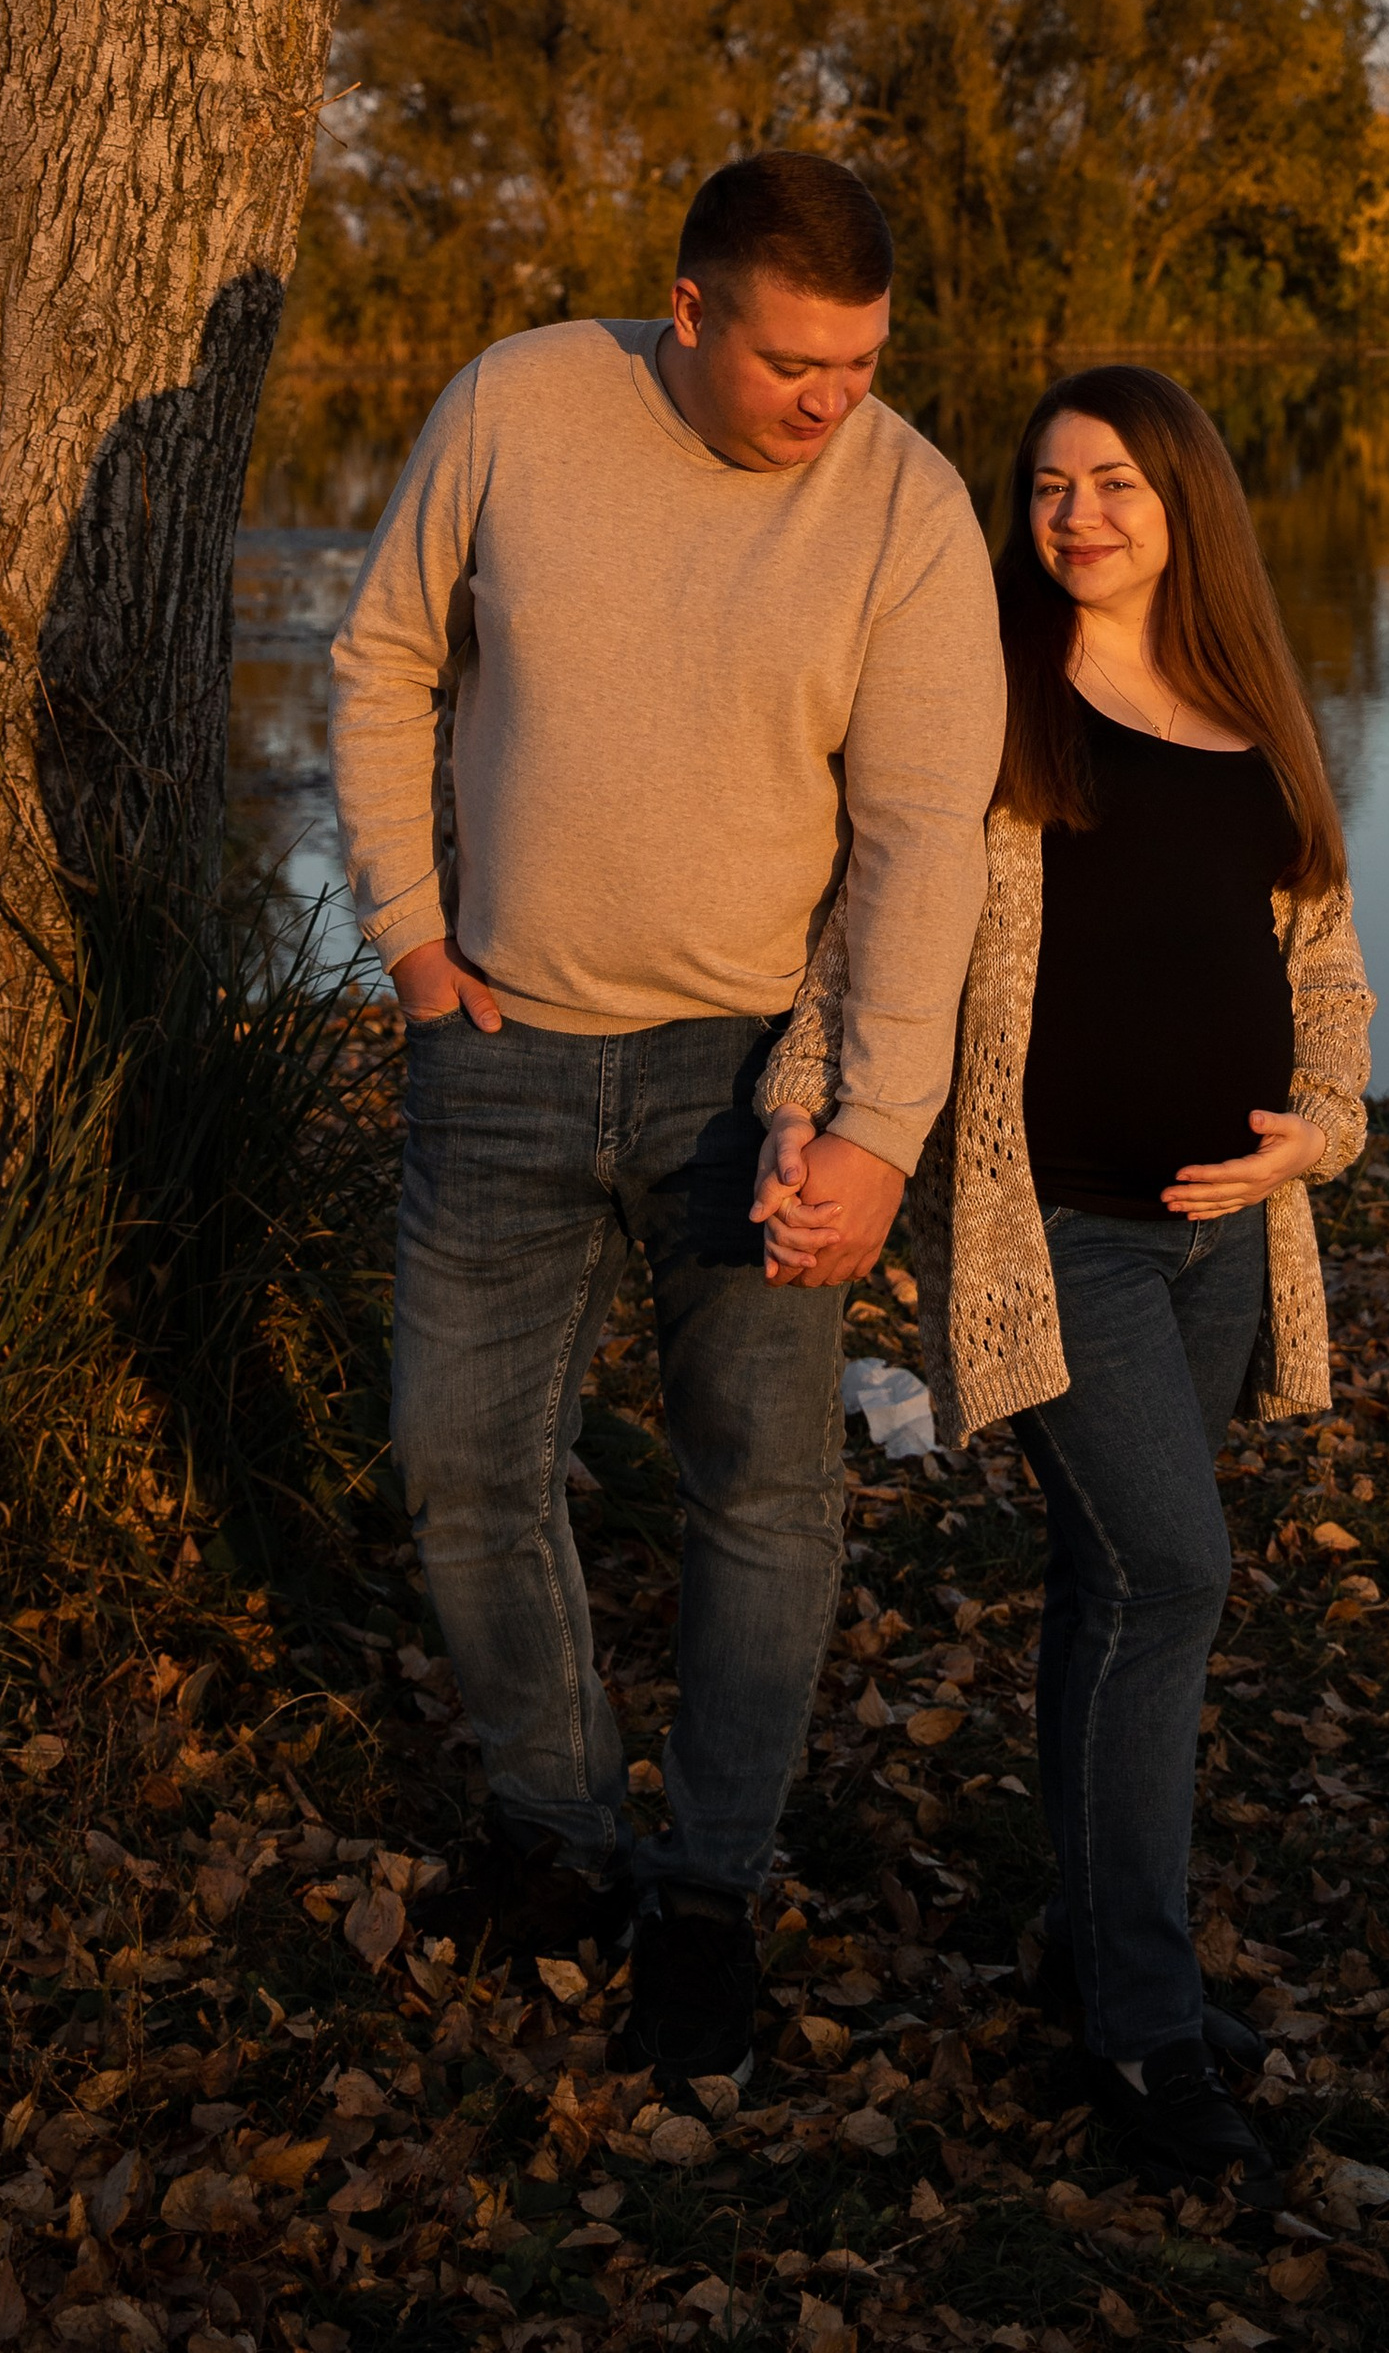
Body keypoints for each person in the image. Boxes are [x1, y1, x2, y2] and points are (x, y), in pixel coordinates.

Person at [327, 152, 1005, 2086]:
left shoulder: (909, 508)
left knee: (763, 1494)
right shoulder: (522, 398)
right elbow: (381, 656)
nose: (835, 401)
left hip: (757, 1084)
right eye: (800, 361)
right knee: (457, 1463)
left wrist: (876, 1125)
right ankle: (554, 1832)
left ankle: (707, 1887)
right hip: (502, 1048)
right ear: (691, 310)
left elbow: (919, 846)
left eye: (866, 362)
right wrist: (407, 939)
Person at [758, 364, 1371, 2195]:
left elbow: (1327, 970)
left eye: (1113, 482)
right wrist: (805, 1097)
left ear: (1187, 501)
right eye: (1047, 485)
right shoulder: (998, 696)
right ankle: (1146, 2031)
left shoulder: (1262, 714)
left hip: (1220, 1243)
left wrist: (1316, 1135)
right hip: (1063, 1238)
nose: (1077, 513)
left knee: (1109, 1598)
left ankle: (1096, 1959)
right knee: (1172, 1575)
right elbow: (870, 919)